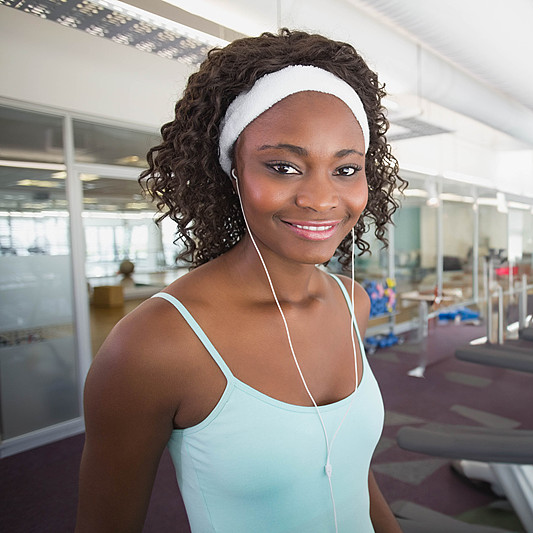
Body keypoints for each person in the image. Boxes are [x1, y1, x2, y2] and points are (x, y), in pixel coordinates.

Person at [76, 29, 405, 533]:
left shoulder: (351, 302)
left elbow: (349, 473)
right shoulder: (156, 344)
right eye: (283, 166)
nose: (320, 199)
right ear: (232, 172)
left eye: (345, 169)